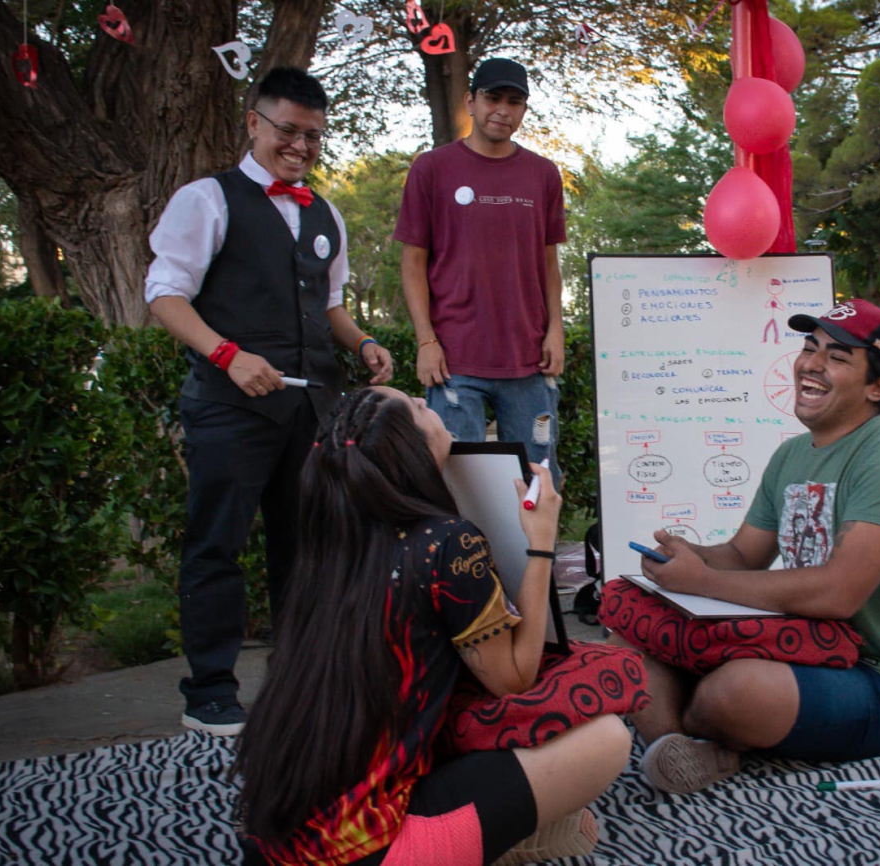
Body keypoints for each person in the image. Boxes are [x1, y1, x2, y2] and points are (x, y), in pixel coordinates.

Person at [234, 387, 630, 866]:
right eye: (419, 407)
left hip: (273, 840)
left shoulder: (330, 540)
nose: (429, 405)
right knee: (608, 738)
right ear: (411, 448)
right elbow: (514, 678)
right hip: (370, 851)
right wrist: (541, 541)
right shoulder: (444, 543)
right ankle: (491, 844)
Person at [613, 299, 880, 794]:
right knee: (627, 640)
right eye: (809, 348)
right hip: (804, 651)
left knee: (734, 691)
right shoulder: (791, 454)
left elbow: (838, 593)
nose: (812, 365)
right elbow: (741, 557)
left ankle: (701, 723)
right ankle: (679, 749)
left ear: (877, 387)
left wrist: (703, 581)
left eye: (838, 357)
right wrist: (688, 555)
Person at [144, 67, 393, 736]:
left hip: (310, 411)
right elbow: (164, 294)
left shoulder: (325, 213)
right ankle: (209, 692)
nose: (300, 147)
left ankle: (298, 684)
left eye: (313, 136)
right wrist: (226, 354)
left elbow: (330, 306)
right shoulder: (206, 199)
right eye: (288, 130)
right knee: (216, 546)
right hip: (228, 408)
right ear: (254, 123)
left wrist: (364, 342)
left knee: (306, 550)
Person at [394, 57, 566, 488]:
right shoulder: (431, 168)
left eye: (515, 101)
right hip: (454, 360)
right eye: (493, 98)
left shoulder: (543, 175)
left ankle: (532, 539)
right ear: (471, 102)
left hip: (528, 359)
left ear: (524, 110)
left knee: (538, 479)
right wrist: (426, 341)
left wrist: (555, 329)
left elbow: (548, 262)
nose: (502, 110)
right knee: (456, 482)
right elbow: (413, 262)